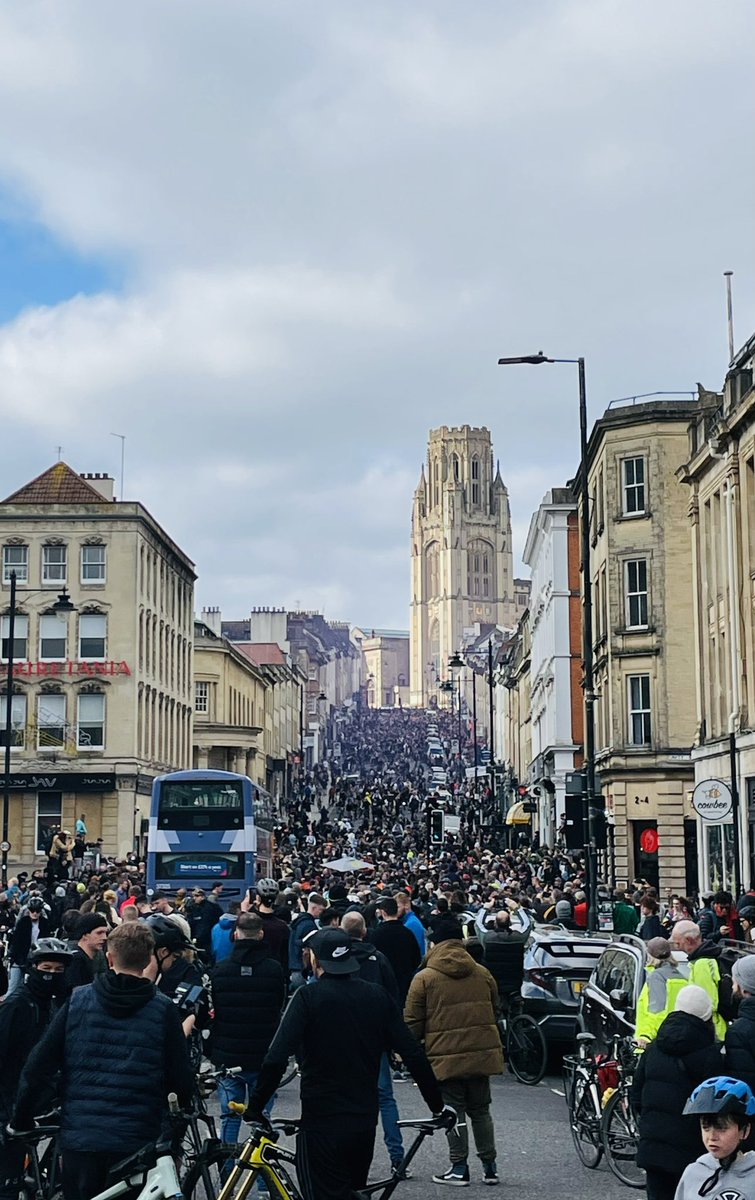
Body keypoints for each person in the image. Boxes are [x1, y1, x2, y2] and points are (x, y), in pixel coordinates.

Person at [245, 929, 452, 1200]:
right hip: (363, 1120)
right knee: (354, 1191)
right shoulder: (376, 996)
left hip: (321, 1117)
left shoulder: (308, 998)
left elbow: (276, 1058)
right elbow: (412, 1053)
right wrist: (437, 1105)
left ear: (316, 961)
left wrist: (257, 1106)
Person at [12, 923, 193, 1200]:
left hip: (81, 1137)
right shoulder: (162, 1008)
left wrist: (22, 1117)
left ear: (109, 957)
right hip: (137, 1138)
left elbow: (39, 1065)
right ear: (148, 959)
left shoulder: (78, 1001)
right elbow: (180, 1076)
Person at [405, 917, 503, 1186]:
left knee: (454, 1112)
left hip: (444, 1056)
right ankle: (490, 1166)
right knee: (481, 1111)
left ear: (434, 943)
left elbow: (413, 1021)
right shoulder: (482, 973)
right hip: (480, 1053)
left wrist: (405, 1053)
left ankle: (459, 1167)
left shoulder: (424, 977)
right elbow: (495, 1008)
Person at [631, 986, 723, 1200]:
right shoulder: (709, 1054)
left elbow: (636, 1095)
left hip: (653, 1147)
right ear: (706, 1014)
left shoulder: (654, 1048)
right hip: (691, 1150)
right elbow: (715, 1105)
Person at [0, 939, 72, 1200]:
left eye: (58, 971)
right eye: (46, 968)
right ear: (33, 967)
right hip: (9, 1100)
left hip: (39, 1097)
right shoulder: (17, 1005)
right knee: (8, 1180)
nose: (51, 975)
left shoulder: (51, 1004)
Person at [209, 912, 286, 1148]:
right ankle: (263, 1179)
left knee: (230, 1117)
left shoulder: (220, 970)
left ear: (235, 935)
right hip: (263, 1052)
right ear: (260, 934)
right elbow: (278, 1006)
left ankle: (227, 1177)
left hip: (228, 1052)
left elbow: (216, 1009)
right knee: (261, 1118)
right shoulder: (274, 970)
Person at [340, 911, 405, 1174]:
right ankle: (397, 1157)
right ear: (365, 931)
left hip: (342, 1037)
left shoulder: (338, 959)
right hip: (374, 1037)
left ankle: (343, 1155)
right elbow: (393, 999)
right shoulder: (378, 959)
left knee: (343, 1097)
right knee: (385, 1097)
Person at [676, 1076, 755, 1199]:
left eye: (722, 1128)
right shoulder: (693, 1173)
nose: (712, 1137)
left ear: (745, 1131)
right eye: (705, 1128)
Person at [671, 921, 726, 1038]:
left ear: (689, 940)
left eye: (678, 943)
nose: (677, 948)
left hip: (713, 1033)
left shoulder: (702, 965)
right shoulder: (707, 958)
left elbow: (706, 1004)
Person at [635, 937, 691, 1046]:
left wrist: (646, 1036)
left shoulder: (656, 977)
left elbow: (657, 1011)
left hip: (653, 1040)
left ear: (650, 955)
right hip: (676, 1036)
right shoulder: (681, 977)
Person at [372, 896, 421, 1004]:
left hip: (384, 985)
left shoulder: (376, 935)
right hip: (405, 983)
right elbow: (417, 959)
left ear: (383, 913)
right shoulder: (407, 933)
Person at [723, 956, 755, 1112]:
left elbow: (743, 1085)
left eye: (735, 981)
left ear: (744, 988)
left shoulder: (739, 1031)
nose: (732, 986)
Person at [6, 897, 53, 997]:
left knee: (34, 989)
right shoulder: (23, 922)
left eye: (37, 910)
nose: (35, 913)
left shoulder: (45, 923)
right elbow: (16, 942)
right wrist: (14, 957)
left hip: (37, 959)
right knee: (12, 988)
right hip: (20, 959)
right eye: (32, 910)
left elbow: (46, 941)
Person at [63, 912, 109, 993]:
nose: (104, 937)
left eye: (105, 933)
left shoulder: (98, 956)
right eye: (99, 933)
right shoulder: (75, 961)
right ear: (84, 935)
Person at [288, 893, 325, 990]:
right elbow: (307, 950)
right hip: (301, 969)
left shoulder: (298, 921)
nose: (322, 913)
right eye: (321, 910)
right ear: (314, 908)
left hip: (294, 966)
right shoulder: (309, 925)